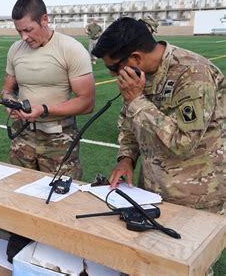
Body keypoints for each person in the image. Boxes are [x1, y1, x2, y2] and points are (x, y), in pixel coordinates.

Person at [92, 17, 224, 213]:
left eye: (114, 67)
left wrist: (137, 101)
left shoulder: (193, 73)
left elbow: (183, 143)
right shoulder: (138, 76)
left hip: (195, 197)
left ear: (136, 58)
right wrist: (126, 159)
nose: (113, 75)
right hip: (150, 191)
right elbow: (130, 122)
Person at [1, 0, 95, 180]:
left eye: (28, 30)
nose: (24, 37)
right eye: (19, 31)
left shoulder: (70, 49)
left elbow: (87, 102)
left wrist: (44, 110)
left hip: (58, 141)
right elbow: (7, 90)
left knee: (60, 200)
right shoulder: (15, 49)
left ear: (44, 19)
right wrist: (10, 103)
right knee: (17, 191)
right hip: (22, 137)